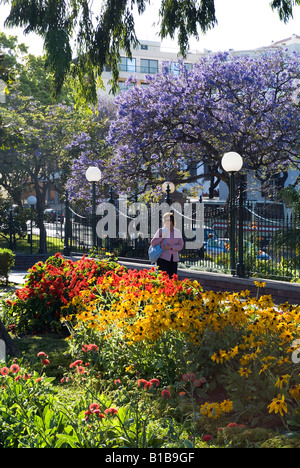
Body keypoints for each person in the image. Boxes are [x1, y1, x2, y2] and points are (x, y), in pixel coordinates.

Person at [150, 212, 184, 278]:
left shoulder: (177, 232)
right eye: (165, 220)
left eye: (169, 220)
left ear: (172, 221)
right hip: (162, 258)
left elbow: (181, 245)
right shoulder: (161, 231)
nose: (167, 222)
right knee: (163, 278)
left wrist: (171, 247)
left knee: (172, 279)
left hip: (174, 259)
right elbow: (153, 243)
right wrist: (161, 238)